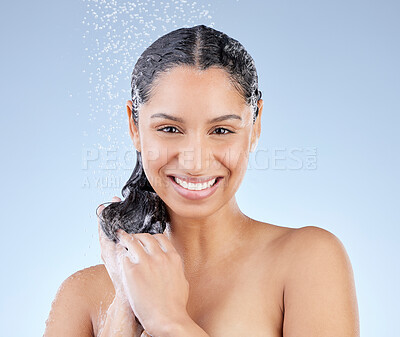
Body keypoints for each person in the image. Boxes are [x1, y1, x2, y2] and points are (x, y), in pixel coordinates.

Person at [43, 24, 360, 337]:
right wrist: (124, 306)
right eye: (169, 129)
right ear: (134, 126)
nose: (195, 162)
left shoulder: (306, 260)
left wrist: (168, 321)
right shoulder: (83, 296)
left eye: (221, 131)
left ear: (255, 125)